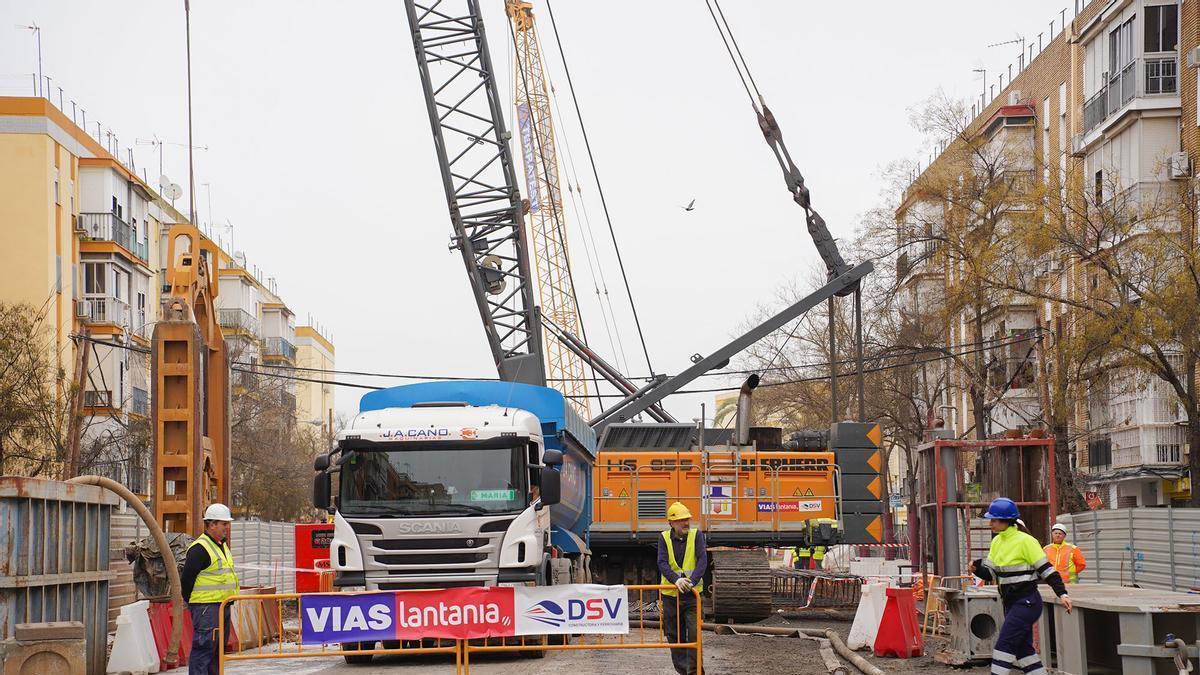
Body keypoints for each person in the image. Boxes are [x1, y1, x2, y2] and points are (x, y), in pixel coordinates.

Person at [970, 498, 1071, 675]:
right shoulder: (997, 542)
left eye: (994, 519)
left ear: (1006, 520)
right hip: (1011, 604)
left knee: (1004, 644)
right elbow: (991, 574)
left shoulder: (1026, 541)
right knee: (1024, 650)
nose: (990, 523)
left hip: (1027, 602)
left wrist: (1062, 594)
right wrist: (976, 569)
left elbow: (1048, 571)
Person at [181, 503, 239, 675]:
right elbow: (187, 580)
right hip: (207, 608)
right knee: (204, 650)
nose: (227, 527)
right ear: (212, 524)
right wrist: (192, 603)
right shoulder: (200, 549)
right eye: (224, 523)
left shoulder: (221, 546)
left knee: (216, 652)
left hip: (222, 606)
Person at [658, 501, 707, 675]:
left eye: (687, 519)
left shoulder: (696, 535)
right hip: (671, 596)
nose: (686, 523)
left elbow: (702, 560)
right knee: (674, 637)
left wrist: (692, 582)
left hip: (692, 596)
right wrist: (676, 580)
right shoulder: (664, 537)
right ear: (671, 523)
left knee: (694, 636)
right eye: (681, 520)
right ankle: (684, 672)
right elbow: (662, 563)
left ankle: (695, 673)